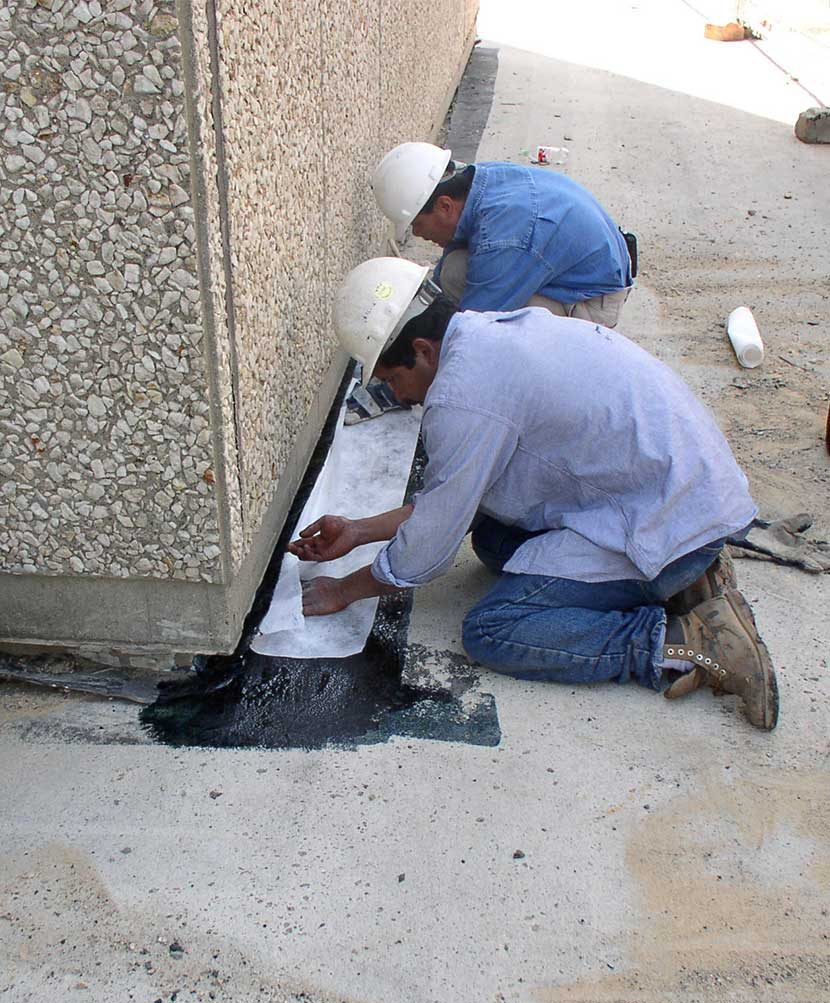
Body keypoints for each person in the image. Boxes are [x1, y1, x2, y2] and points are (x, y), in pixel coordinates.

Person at [290, 258, 778, 730]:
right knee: (495, 543)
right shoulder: (487, 334)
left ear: (422, 349)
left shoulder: (463, 397)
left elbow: (426, 550)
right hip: (685, 495)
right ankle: (690, 580)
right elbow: (455, 501)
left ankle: (686, 640)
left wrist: (343, 590)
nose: (398, 396)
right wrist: (358, 531)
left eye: (395, 379)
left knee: (494, 631)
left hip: (666, 522)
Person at [372, 142, 633, 328]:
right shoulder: (477, 180)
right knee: (454, 272)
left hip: (593, 301)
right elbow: (444, 280)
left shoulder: (504, 236)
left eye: (417, 223)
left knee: (500, 333)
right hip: (569, 270)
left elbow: (474, 328)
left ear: (444, 206)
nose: (417, 234)